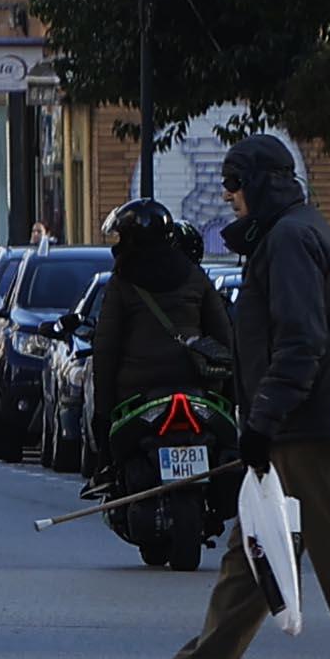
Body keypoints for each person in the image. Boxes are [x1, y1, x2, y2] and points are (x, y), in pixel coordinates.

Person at [125, 131, 330, 659]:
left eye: (236, 183)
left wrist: (262, 420)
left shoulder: (289, 240)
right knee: (253, 551)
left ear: (261, 183)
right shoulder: (291, 232)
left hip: (315, 431)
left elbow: (300, 344)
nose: (229, 195)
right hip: (301, 427)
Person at [75, 198, 228, 490]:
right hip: (198, 386)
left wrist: (103, 414)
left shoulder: (121, 284)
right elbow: (224, 337)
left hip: (137, 392)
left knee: (110, 456)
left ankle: (106, 472)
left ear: (133, 239)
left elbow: (106, 348)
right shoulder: (196, 277)